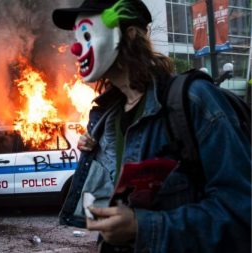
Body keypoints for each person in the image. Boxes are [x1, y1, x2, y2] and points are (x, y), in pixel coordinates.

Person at [52, 0, 251, 252]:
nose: (76, 47)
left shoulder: (194, 100)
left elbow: (242, 212)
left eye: (88, 35)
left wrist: (141, 227)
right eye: (77, 37)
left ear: (130, 36)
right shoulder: (106, 118)